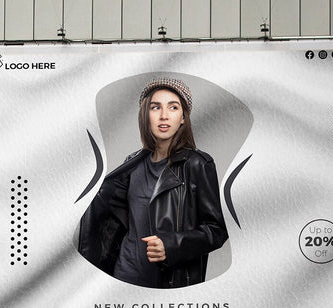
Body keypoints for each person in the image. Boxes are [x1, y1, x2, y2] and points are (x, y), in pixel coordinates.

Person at [77, 77, 227, 288]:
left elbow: (217, 230)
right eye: (156, 107)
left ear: (183, 118)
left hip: (167, 283)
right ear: (145, 115)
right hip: (122, 276)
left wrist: (172, 245)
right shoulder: (132, 163)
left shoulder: (198, 164)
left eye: (173, 107)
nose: (164, 116)